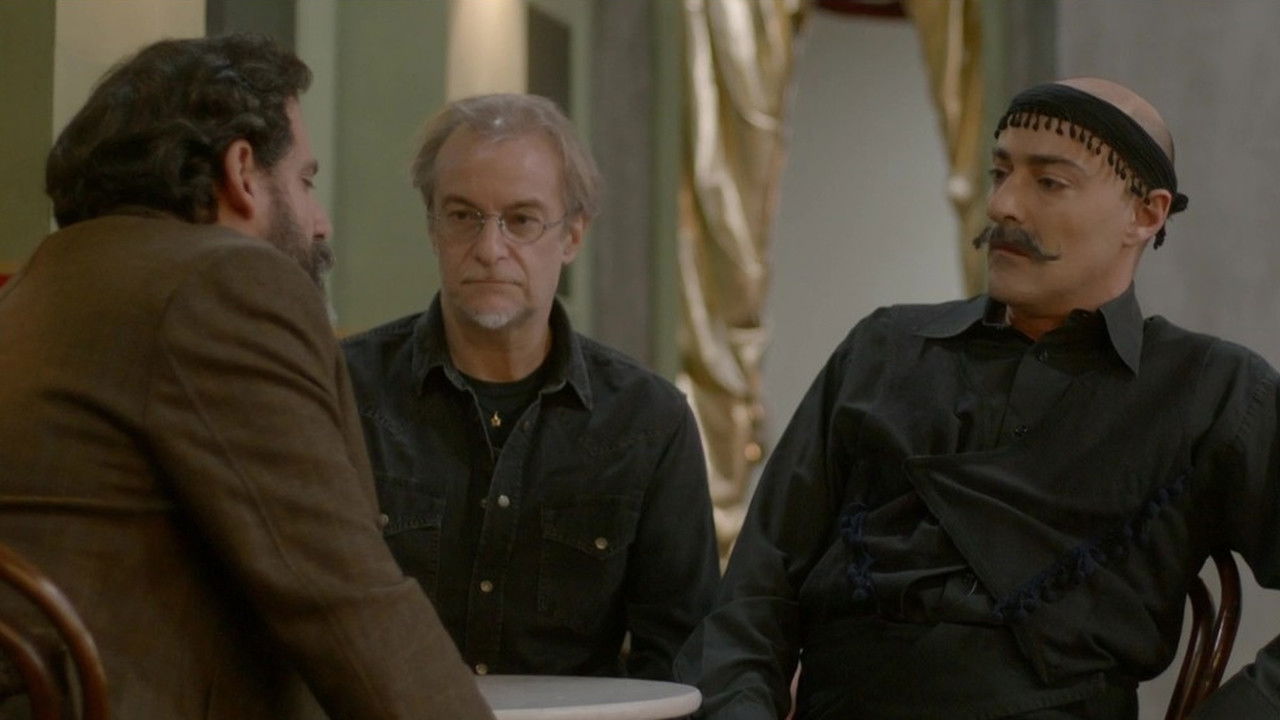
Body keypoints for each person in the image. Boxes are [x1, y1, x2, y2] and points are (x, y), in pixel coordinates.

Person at [674, 78, 1280, 719]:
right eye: (1000, 173)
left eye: (1049, 182)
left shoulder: (1209, 390)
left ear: (1146, 214)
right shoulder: (884, 351)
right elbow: (752, 598)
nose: (1002, 205)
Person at [0, 34, 492, 719]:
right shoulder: (221, 282)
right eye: (305, 181)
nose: (320, 224)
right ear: (241, 172)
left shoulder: (35, 287)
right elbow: (345, 600)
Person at [341, 93, 719, 680]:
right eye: (463, 216)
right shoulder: (345, 390)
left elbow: (682, 656)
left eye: (521, 220)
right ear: (432, 227)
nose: (489, 249)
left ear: (572, 236)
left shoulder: (648, 421)